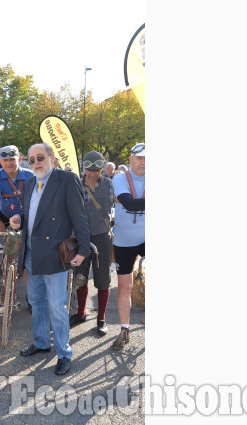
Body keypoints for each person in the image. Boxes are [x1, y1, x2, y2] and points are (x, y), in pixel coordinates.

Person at [10, 143, 89, 376]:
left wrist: (83, 250)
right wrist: (18, 219)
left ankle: (64, 353)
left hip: (55, 254)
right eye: (32, 159)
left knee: (57, 305)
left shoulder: (66, 180)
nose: (36, 163)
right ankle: (42, 342)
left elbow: (79, 215)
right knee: (36, 301)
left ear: (52, 158)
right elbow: (31, 214)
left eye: (40, 157)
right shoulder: (30, 183)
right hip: (32, 253)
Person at [70, 151, 114, 336]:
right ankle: (80, 313)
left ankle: (101, 318)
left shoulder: (110, 184)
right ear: (84, 168)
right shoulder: (75, 185)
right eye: (90, 169)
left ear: (102, 168)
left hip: (102, 237)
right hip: (80, 238)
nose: (93, 173)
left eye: (97, 170)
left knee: (103, 280)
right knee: (80, 278)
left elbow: (118, 203)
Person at [111, 142, 145, 350]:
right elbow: (130, 203)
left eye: (147, 158)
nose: (143, 163)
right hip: (123, 241)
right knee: (125, 287)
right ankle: (124, 329)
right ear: (131, 159)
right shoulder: (120, 178)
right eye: (139, 158)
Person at [0, 145, 34, 277]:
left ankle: (29, 294)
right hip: (3, 214)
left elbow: (33, 203)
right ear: (0, 162)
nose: (8, 164)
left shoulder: (29, 175)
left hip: (22, 216)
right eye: (5, 160)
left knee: (21, 249)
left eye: (12, 160)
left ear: (19, 159)